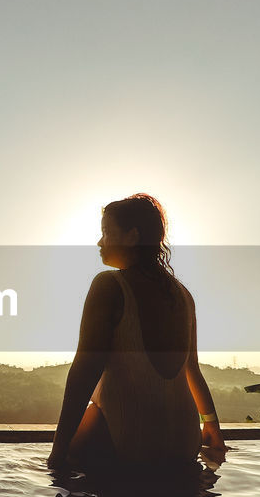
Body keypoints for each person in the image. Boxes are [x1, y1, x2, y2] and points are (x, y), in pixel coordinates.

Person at [49, 193, 226, 470]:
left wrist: (57, 452)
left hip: (131, 441)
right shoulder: (183, 295)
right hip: (185, 442)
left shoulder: (108, 285)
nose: (99, 242)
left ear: (132, 236)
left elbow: (85, 369)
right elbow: (192, 369)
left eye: (106, 232)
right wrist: (212, 425)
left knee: (67, 467)